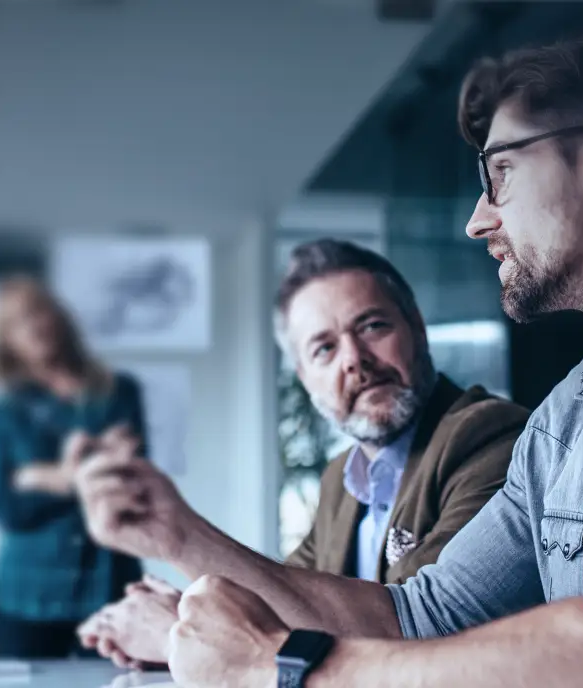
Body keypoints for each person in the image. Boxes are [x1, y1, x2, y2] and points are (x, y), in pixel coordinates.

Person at [76, 21, 583, 688]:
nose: (478, 219)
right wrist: (174, 533)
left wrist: (282, 669)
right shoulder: (562, 427)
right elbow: (418, 616)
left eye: (500, 174)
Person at [75, 240, 530, 667]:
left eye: (372, 326)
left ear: (416, 326)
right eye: (324, 348)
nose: (353, 359)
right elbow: (286, 600)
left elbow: (414, 633)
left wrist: (178, 616)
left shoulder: (490, 437)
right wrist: (189, 616)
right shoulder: (342, 479)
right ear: (304, 376)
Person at [0, 275, 147, 659]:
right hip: (28, 594)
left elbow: (133, 486)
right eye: (17, 322)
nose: (34, 325)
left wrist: (37, 477)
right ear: (4, 341)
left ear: (58, 316)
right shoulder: (4, 412)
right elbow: (5, 507)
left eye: (38, 311)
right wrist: (72, 478)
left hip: (109, 584)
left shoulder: (119, 391)